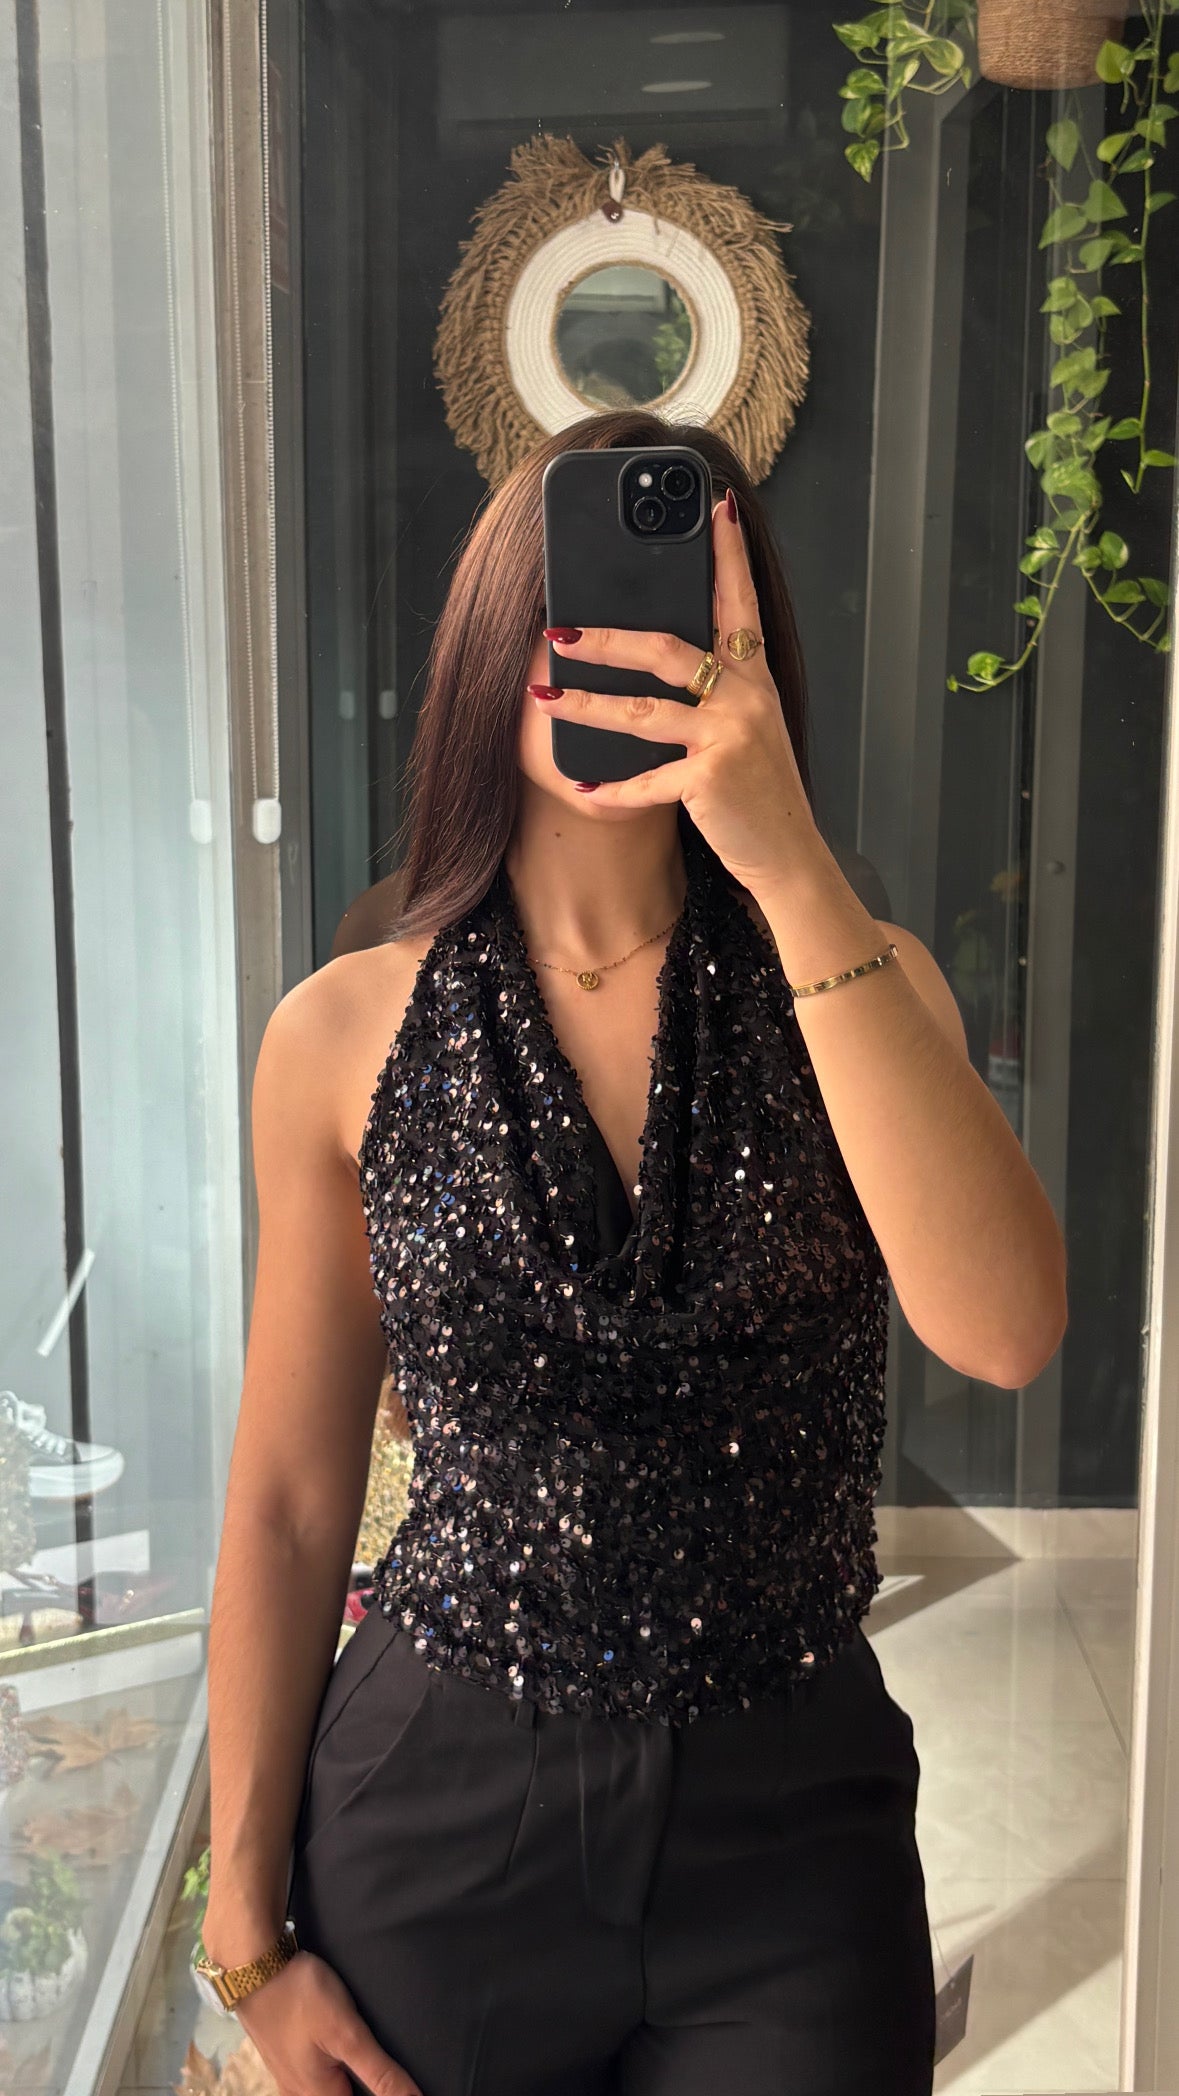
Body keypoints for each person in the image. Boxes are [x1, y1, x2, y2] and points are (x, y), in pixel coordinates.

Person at [201, 408, 1068, 2096]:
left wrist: (788, 859)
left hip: (794, 1832)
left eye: (672, 607)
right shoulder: (342, 1032)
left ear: (750, 653)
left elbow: (1009, 1329)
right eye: (570, 601)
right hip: (436, 1801)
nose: (614, 647)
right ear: (492, 635)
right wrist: (244, 1933)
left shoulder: (862, 979)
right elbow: (293, 1499)